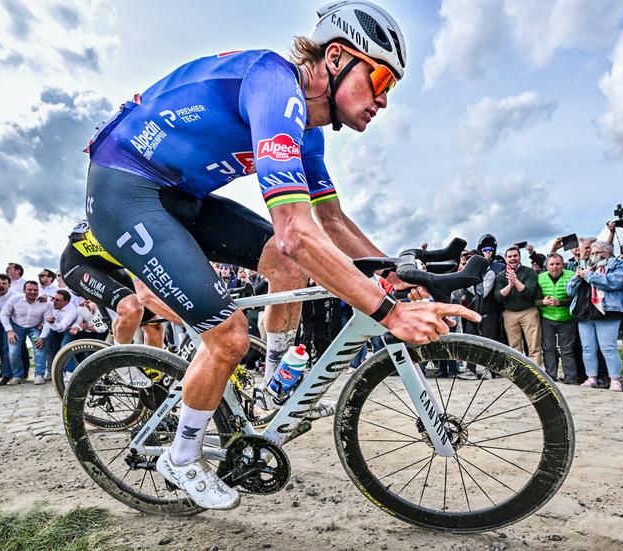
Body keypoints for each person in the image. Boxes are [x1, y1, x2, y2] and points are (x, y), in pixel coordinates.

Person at [81, 0, 479, 510]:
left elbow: (330, 222)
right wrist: (389, 311)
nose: (384, 100)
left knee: (284, 266)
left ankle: (272, 386)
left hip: (181, 196)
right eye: (380, 80)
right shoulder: (274, 84)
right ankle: (180, 458)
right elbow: (296, 231)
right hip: (125, 194)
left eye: (391, 89)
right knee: (228, 334)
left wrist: (397, 272)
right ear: (336, 58)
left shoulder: (307, 130)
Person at [59, 220, 166, 347]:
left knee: (155, 326)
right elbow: (146, 296)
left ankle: (153, 367)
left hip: (110, 267)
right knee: (131, 308)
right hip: (76, 265)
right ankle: (120, 364)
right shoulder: (135, 239)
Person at [566, 240, 623, 391]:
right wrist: (577, 277)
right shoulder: (586, 267)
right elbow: (569, 290)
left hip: (607, 311)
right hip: (584, 312)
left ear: (607, 253)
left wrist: (590, 276)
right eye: (592, 253)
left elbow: (615, 282)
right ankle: (591, 377)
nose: (593, 256)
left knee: (608, 347)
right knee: (587, 348)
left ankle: (615, 378)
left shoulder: (617, 264)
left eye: (597, 253)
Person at [494, 246, 542, 367]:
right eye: (509, 256)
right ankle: (520, 373)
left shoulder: (529, 272)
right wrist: (510, 285)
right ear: (505, 259)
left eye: (515, 256)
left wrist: (515, 281)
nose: (513, 258)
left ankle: (537, 374)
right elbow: (498, 297)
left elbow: (529, 292)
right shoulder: (500, 276)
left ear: (520, 257)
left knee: (534, 346)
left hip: (529, 311)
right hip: (510, 313)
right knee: (514, 347)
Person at [0, 281, 51, 385]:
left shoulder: (45, 303)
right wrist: (9, 330)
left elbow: (47, 321)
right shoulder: (15, 299)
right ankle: (17, 376)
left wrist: (43, 336)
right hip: (16, 327)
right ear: (24, 290)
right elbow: (4, 314)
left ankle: (39, 374)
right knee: (13, 352)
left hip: (34, 327)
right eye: (30, 290)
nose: (33, 292)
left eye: (35, 290)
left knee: (39, 348)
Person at [535, 253, 576, 383]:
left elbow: (576, 298)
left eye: (558, 264)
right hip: (547, 317)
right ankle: (551, 376)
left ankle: (570, 377)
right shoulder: (540, 278)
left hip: (567, 318)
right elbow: (534, 300)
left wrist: (559, 302)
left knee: (567, 349)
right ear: (547, 266)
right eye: (551, 264)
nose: (555, 267)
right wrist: (543, 302)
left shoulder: (571, 275)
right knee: (548, 348)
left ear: (562, 265)